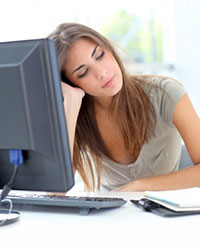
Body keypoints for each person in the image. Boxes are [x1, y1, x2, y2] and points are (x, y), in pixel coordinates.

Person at [48, 23, 200, 192]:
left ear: (109, 49)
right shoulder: (77, 113)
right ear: (70, 82)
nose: (102, 73)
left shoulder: (166, 94)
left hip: (162, 215)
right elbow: (55, 192)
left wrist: (138, 186)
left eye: (99, 55)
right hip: (109, 216)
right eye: (83, 72)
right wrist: (70, 101)